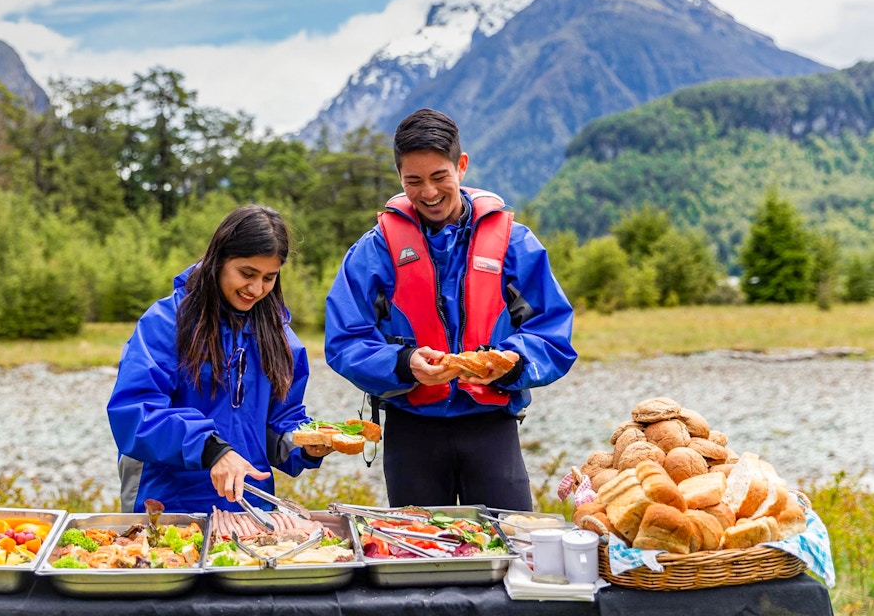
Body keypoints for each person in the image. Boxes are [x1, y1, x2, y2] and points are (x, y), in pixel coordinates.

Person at [324, 108, 577, 512]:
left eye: (439, 176)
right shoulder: (375, 250)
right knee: (417, 559)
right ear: (400, 179)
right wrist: (405, 363)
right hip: (411, 430)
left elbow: (553, 332)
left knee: (509, 548)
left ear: (461, 166)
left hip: (492, 425)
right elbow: (344, 341)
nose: (428, 192)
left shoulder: (515, 243)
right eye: (414, 181)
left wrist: (513, 362)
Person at [108, 204, 332, 514]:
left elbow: (279, 424)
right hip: (167, 506)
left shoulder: (280, 338)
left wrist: (306, 443)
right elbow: (134, 415)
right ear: (219, 259)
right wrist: (209, 448)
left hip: (249, 509)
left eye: (269, 278)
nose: (256, 289)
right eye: (246, 273)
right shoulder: (165, 323)